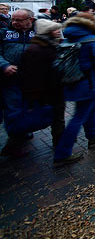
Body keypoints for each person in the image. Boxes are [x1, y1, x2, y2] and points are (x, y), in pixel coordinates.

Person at [53, 13, 95, 166]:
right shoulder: (92, 40)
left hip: (72, 80)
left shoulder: (69, 37)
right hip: (88, 82)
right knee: (79, 116)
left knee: (90, 108)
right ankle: (63, 153)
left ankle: (93, 135)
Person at [19, 19, 66, 149]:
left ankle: (61, 144)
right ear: (48, 32)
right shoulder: (37, 50)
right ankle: (61, 150)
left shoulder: (49, 45)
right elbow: (31, 75)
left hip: (54, 90)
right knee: (57, 120)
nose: (59, 32)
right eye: (55, 29)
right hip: (48, 92)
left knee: (58, 119)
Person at [0, 9, 36, 157]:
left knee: (26, 107)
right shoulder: (4, 33)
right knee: (13, 110)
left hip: (30, 79)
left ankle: (23, 131)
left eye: (19, 20)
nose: (14, 23)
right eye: (13, 19)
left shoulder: (38, 32)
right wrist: (4, 66)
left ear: (30, 20)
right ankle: (13, 146)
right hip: (10, 79)